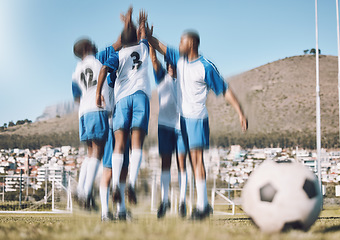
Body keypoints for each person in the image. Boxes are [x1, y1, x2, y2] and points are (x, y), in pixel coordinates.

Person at [148, 29, 247, 220]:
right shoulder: (179, 59)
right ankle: (202, 205)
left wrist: (240, 112)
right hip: (182, 121)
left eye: (182, 42)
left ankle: (202, 206)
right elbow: (159, 46)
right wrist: (145, 34)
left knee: (196, 161)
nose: (179, 45)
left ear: (191, 44)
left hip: (197, 119)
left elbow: (224, 89)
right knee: (192, 164)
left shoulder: (205, 66)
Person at [96, 10, 151, 206]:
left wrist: (97, 93)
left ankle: (114, 188)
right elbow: (143, 35)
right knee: (136, 143)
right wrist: (140, 23)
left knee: (119, 144)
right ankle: (131, 184)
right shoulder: (143, 49)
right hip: (140, 97)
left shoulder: (118, 55)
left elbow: (103, 68)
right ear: (136, 39)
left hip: (122, 100)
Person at [72, 35, 120, 208]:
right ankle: (85, 193)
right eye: (90, 43)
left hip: (83, 112)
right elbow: (117, 46)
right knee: (97, 153)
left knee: (90, 153)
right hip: (97, 109)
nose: (94, 43)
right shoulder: (98, 62)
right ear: (86, 49)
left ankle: (80, 189)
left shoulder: (76, 71)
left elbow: (76, 96)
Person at [149, 44, 189, 218]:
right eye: (169, 63)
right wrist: (149, 42)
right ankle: (164, 201)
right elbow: (153, 59)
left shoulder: (184, 81)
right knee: (165, 163)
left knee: (182, 163)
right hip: (164, 126)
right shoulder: (161, 78)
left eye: (173, 63)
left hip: (181, 126)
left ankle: (182, 201)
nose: (170, 65)